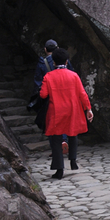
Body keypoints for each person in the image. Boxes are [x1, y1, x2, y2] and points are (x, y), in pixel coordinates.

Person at [40, 47, 93, 179]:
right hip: (72, 109)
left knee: (56, 139)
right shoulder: (74, 76)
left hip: (56, 110)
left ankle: (59, 169)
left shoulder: (48, 77)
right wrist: (88, 109)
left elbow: (43, 94)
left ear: (53, 62)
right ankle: (73, 160)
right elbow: (82, 93)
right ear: (67, 61)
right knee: (72, 133)